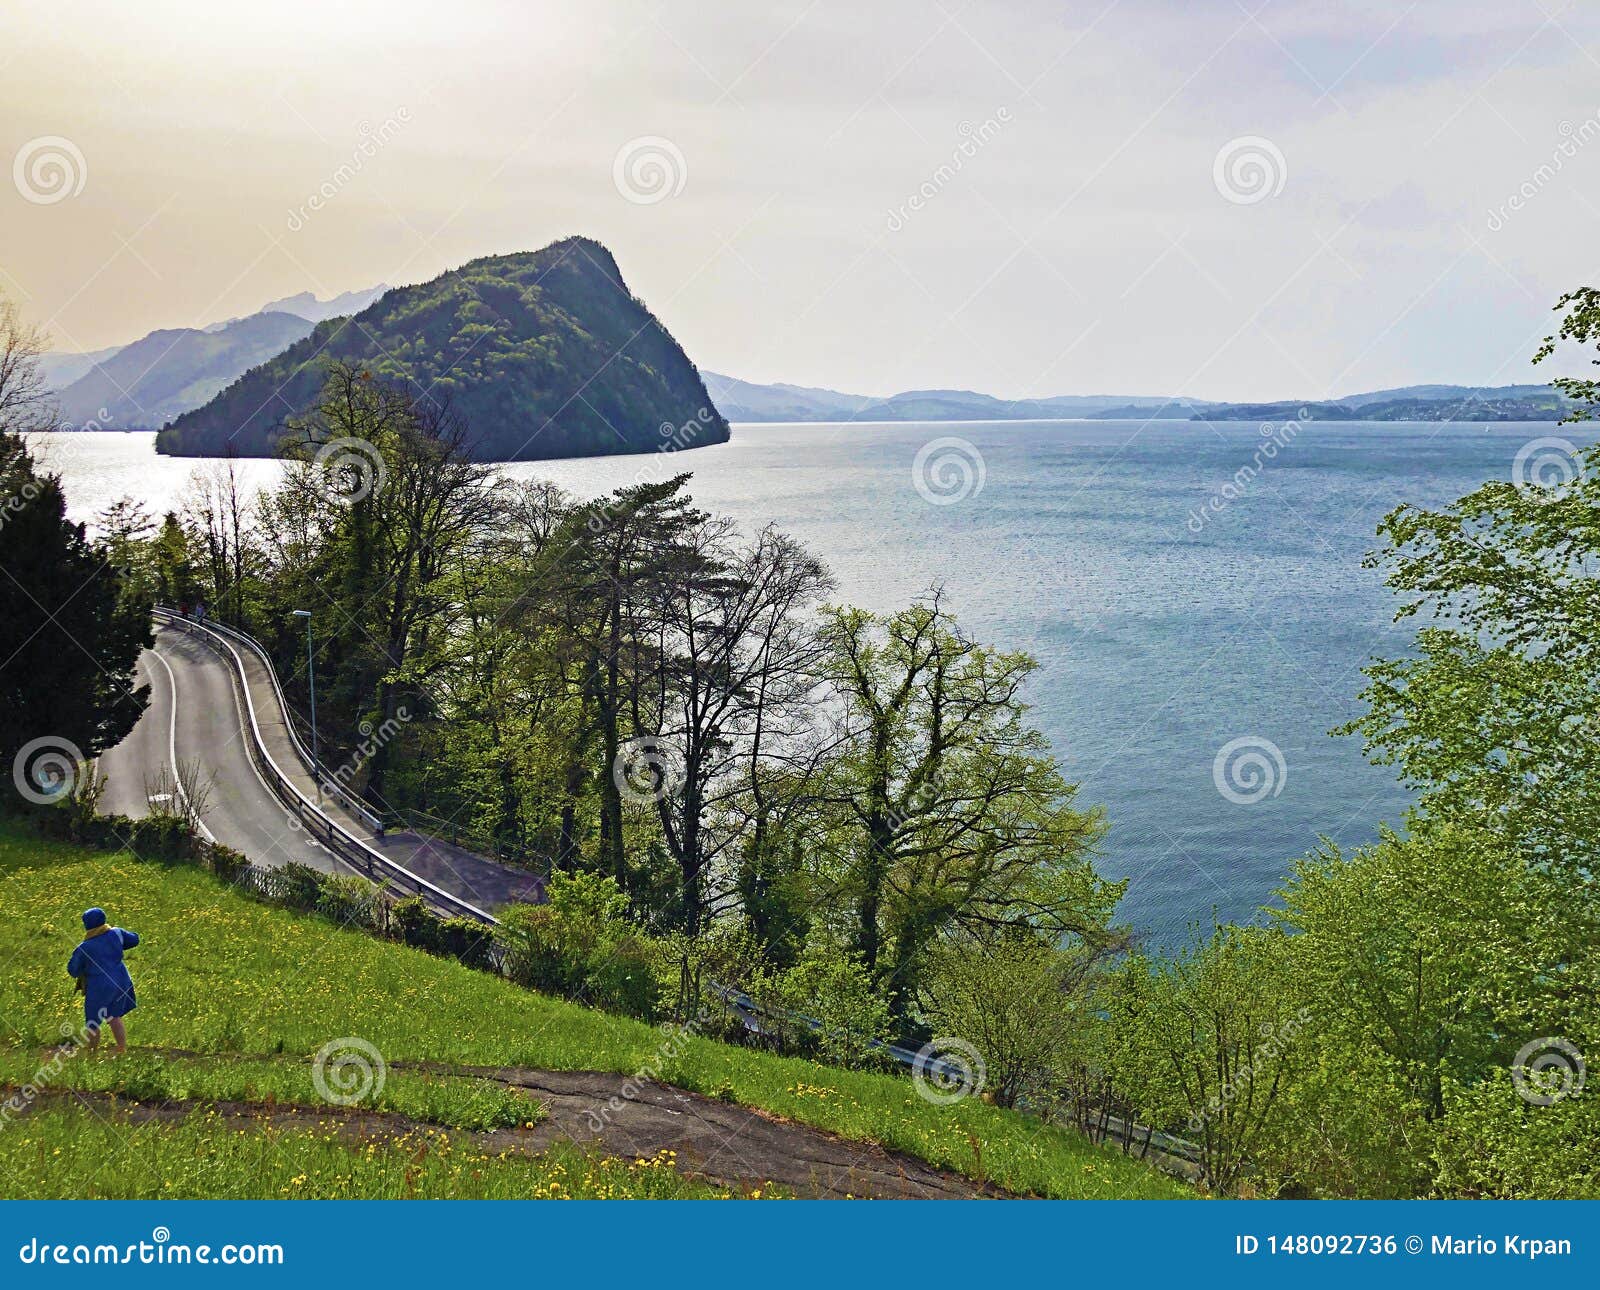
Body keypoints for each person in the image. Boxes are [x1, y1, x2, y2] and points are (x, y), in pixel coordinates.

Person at [67, 908, 139, 1054]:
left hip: (100, 987)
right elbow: (134, 939)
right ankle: (121, 1049)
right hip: (122, 981)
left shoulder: (85, 947)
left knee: (93, 1021)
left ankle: (92, 1053)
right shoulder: (117, 933)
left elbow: (72, 970)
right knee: (114, 1016)